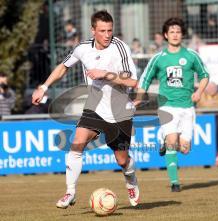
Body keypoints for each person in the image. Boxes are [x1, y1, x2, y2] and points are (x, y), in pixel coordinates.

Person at [32, 10, 139, 208]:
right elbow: (63, 67)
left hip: (119, 109)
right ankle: (70, 192)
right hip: (95, 105)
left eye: (110, 30)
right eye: (102, 31)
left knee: (122, 160)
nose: (107, 35)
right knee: (76, 143)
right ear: (93, 31)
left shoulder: (120, 47)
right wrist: (44, 87)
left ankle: (131, 181)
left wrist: (106, 75)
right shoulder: (82, 48)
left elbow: (132, 81)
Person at [135, 17, 209, 192]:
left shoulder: (191, 56)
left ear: (182, 34)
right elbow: (145, 78)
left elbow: (205, 75)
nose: (175, 35)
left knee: (184, 148)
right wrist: (139, 97)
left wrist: (199, 92)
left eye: (178, 32)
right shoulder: (159, 58)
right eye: (172, 32)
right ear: (166, 35)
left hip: (187, 108)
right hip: (167, 106)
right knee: (172, 142)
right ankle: (175, 183)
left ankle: (161, 137)